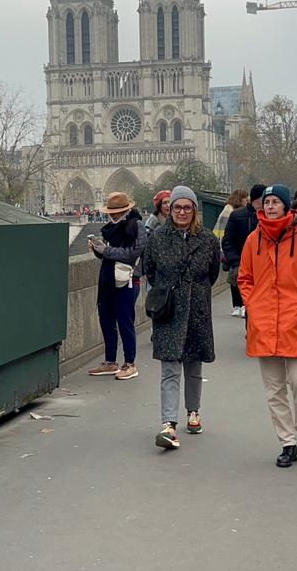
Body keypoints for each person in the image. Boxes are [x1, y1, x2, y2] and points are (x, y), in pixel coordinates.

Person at [238, 184, 297, 468]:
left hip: (296, 321)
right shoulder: (253, 240)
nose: (270, 206)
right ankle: (287, 442)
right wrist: (253, 305)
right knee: (274, 388)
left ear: (286, 206)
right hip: (264, 323)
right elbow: (244, 278)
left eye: (276, 202)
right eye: (267, 202)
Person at [142, 186, 222, 450]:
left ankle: (193, 412)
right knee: (170, 368)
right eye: (177, 207)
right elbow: (150, 271)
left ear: (195, 211)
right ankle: (168, 424)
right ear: (169, 208)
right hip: (170, 309)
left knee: (194, 366)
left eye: (187, 207)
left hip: (197, 309)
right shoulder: (157, 238)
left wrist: (194, 292)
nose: (182, 212)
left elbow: (212, 273)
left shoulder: (209, 240)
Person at [88, 191, 147, 380]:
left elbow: (132, 254)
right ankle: (110, 362)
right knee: (106, 320)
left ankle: (130, 364)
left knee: (125, 322)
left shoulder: (136, 225)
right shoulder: (109, 228)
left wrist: (106, 250)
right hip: (107, 280)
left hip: (127, 281)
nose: (114, 216)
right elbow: (108, 255)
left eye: (117, 212)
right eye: (111, 212)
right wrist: (98, 249)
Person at [222, 184, 266, 318]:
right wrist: (236, 262)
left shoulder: (270, 216)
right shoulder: (237, 216)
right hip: (244, 265)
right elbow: (227, 241)